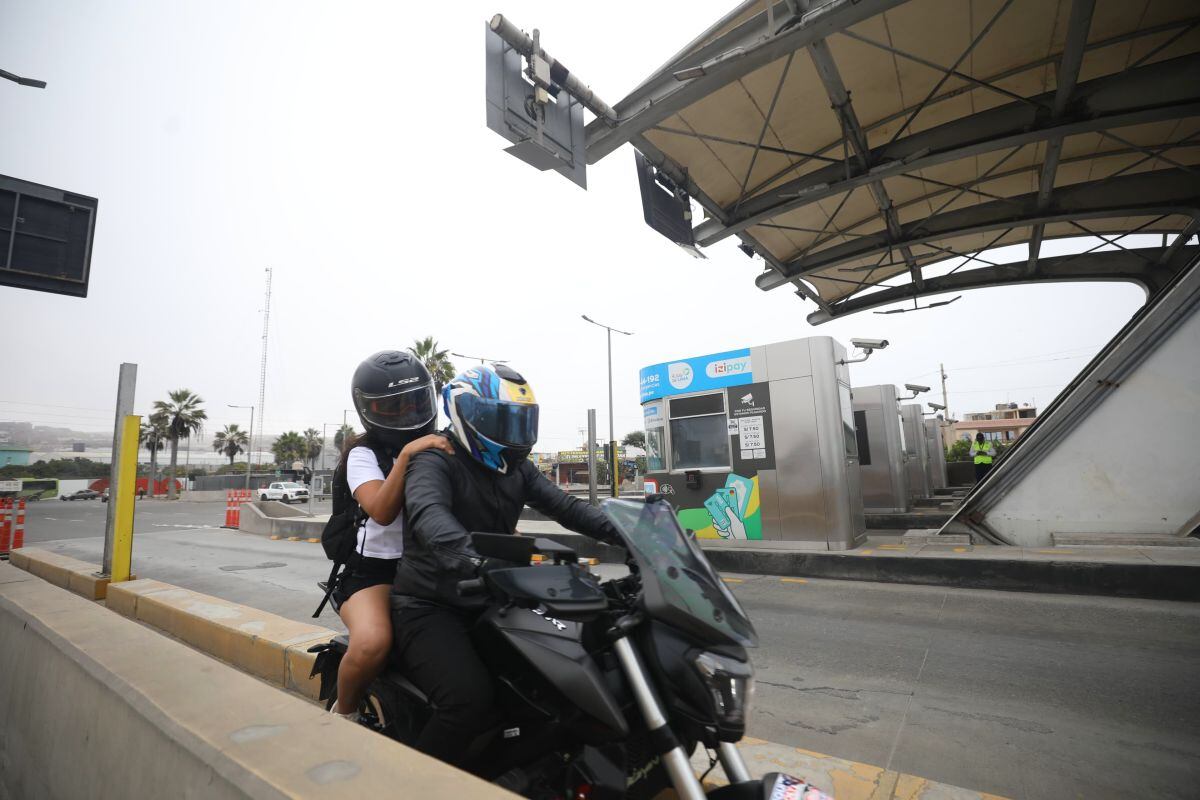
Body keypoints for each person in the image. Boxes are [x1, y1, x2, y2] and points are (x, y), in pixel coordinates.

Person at [391, 364, 619, 768]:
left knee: (562, 679)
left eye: (520, 422)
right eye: (501, 421)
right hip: (433, 603)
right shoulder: (434, 459)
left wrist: (631, 532)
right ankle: (415, 784)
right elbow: (432, 520)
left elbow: (567, 508)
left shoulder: (518, 468)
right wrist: (477, 561)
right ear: (467, 415)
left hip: (495, 594)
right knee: (468, 701)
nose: (513, 434)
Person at [330, 350, 454, 720]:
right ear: (368, 410)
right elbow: (381, 511)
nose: (407, 413)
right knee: (371, 643)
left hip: (434, 569)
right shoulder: (363, 454)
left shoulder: (442, 444)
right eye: (392, 407)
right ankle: (344, 714)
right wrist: (406, 457)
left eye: (415, 402)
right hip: (374, 574)